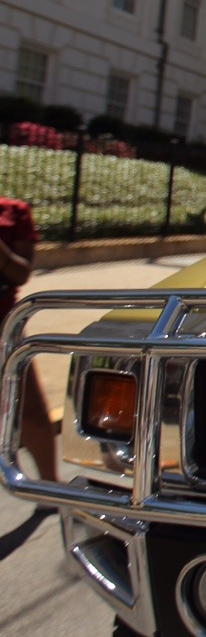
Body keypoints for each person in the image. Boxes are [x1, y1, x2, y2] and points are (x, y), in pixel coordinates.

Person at [0, 197, 57, 483]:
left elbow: (21, 273)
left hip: (1, 324)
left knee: (27, 407)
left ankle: (49, 483)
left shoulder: (13, 212)